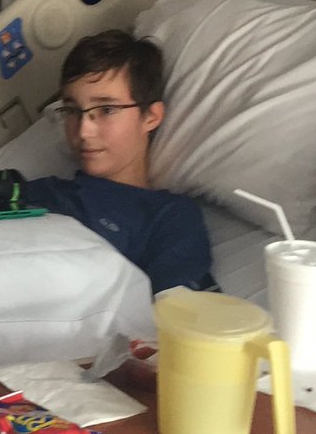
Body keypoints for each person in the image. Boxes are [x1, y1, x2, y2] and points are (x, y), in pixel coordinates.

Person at [22, 29, 214, 292]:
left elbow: (176, 316)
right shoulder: (39, 191)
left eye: (106, 110)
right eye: (72, 111)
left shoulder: (167, 217)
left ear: (151, 116)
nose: (83, 131)